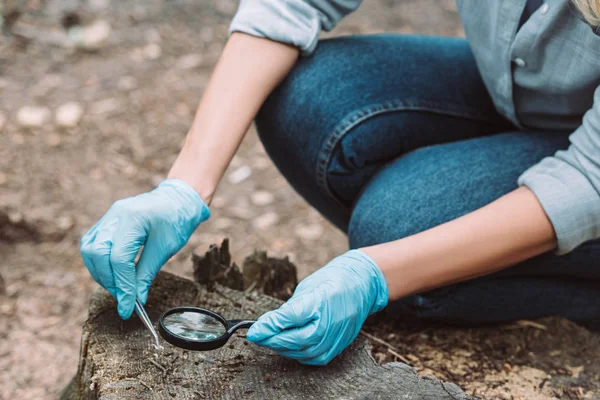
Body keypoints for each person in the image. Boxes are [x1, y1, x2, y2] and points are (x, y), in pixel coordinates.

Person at [80, 0, 600, 365]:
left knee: (393, 229)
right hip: (526, 97)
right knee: (305, 98)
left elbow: (587, 178)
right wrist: (185, 186)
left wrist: (378, 272)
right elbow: (290, 5)